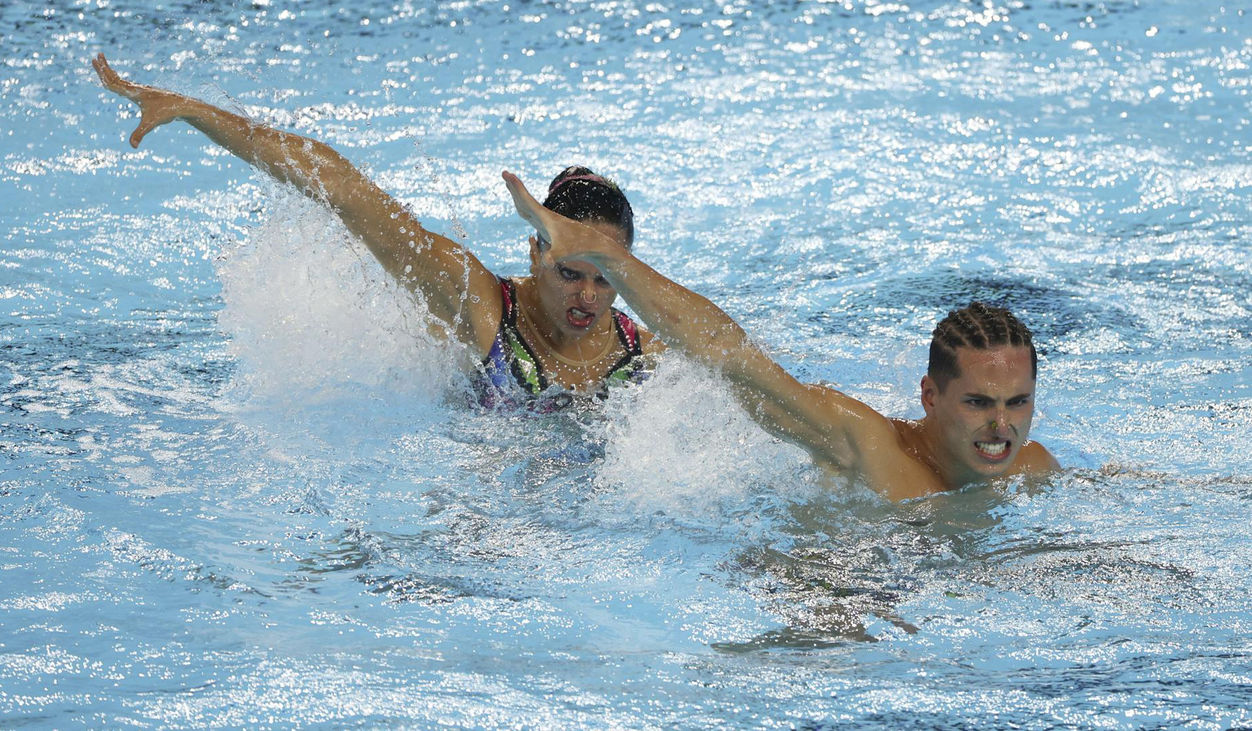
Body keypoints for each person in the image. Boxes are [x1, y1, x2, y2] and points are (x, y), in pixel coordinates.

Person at [91, 54, 662, 407]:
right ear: (536, 253)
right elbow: (342, 189)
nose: (588, 297)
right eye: (571, 273)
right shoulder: (483, 307)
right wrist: (195, 111)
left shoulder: (645, 354)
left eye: (606, 278)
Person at [501, 171, 1060, 501]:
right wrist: (606, 257)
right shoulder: (865, 445)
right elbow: (732, 359)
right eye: (979, 403)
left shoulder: (1032, 469)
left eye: (1018, 402)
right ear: (930, 396)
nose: (1001, 426)